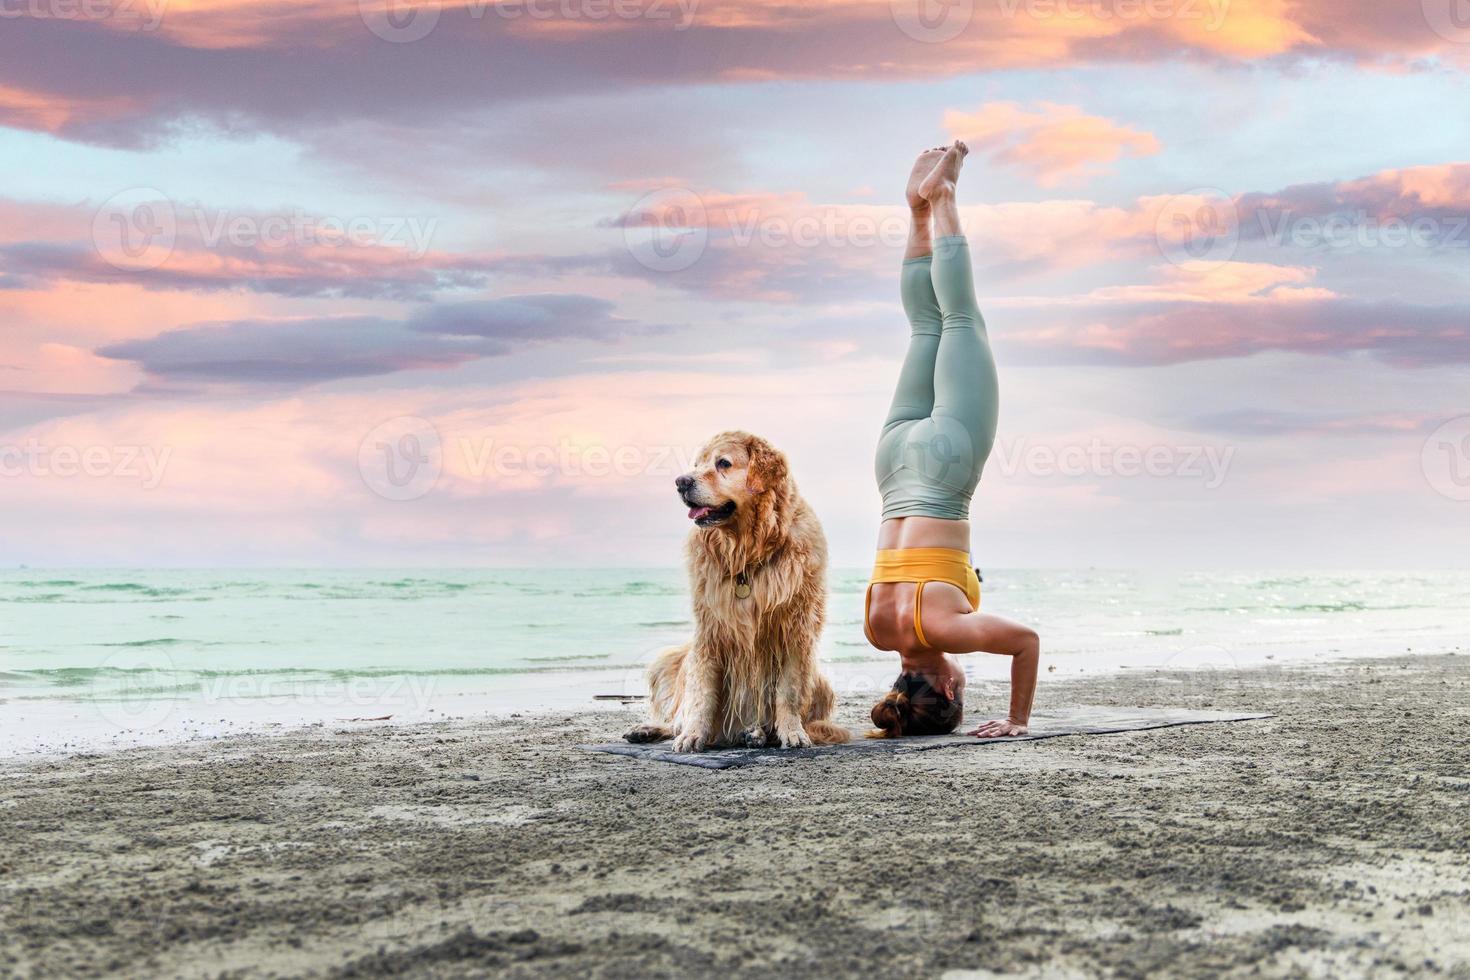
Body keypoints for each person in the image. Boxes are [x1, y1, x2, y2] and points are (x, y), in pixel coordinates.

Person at [864, 142, 1041, 740]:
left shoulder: (946, 633)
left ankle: (942, 199)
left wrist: (1018, 720)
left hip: (944, 469)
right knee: (924, 326)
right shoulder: (878, 630)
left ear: (947, 687)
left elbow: (1025, 643)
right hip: (892, 469)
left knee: (961, 318)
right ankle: (917, 211)